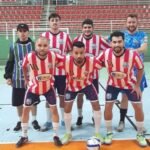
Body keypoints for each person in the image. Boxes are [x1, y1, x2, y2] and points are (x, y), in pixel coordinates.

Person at [97, 31, 147, 147]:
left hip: (130, 84)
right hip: (112, 84)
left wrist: (137, 85)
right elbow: (95, 62)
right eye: (114, 42)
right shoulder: (105, 53)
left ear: (124, 42)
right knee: (108, 106)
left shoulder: (132, 54)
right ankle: (109, 132)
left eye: (119, 42)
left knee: (138, 107)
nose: (117, 44)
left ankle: (140, 134)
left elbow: (140, 68)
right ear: (111, 43)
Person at [16, 37, 63, 147]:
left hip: (48, 88)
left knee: (54, 109)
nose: (42, 48)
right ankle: (24, 136)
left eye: (45, 45)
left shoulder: (53, 55)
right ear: (36, 46)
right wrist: (26, 79)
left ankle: (56, 135)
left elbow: (65, 60)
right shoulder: (30, 56)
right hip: (33, 88)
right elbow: (23, 67)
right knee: (25, 110)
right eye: (40, 45)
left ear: (49, 46)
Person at [59, 41, 103, 144]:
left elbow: (105, 63)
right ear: (71, 53)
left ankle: (97, 133)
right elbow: (51, 60)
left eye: (81, 53)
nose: (79, 55)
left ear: (85, 52)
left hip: (87, 85)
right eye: (76, 53)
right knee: (67, 108)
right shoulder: (65, 60)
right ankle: (68, 133)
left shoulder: (92, 61)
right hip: (71, 86)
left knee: (96, 106)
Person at [4, 23, 40, 132]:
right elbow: (10, 62)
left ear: (28, 32)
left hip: (32, 80)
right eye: (20, 31)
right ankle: (20, 121)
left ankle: (34, 120)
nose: (23, 33)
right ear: (17, 32)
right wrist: (8, 77)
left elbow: (39, 61)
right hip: (17, 79)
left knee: (33, 101)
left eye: (25, 31)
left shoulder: (34, 45)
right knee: (18, 102)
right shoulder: (13, 46)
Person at [73, 18, 110, 126]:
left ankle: (94, 117)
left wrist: (102, 63)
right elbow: (71, 54)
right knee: (79, 97)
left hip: (93, 76)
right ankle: (80, 116)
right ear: (82, 29)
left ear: (93, 28)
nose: (87, 29)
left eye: (89, 27)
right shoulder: (76, 39)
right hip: (79, 75)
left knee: (94, 98)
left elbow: (109, 51)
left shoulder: (99, 39)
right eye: (85, 27)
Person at [116, 14, 148, 132]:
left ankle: (140, 123)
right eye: (129, 22)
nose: (131, 24)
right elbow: (111, 43)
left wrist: (131, 52)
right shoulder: (121, 35)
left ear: (137, 22)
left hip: (138, 71)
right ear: (126, 23)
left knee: (138, 98)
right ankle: (122, 121)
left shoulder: (143, 35)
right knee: (124, 97)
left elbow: (144, 48)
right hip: (125, 73)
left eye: (133, 22)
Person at [41, 13, 72, 130]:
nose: (54, 22)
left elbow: (70, 51)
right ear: (49, 22)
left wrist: (65, 63)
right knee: (48, 97)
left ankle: (64, 119)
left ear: (60, 22)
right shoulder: (43, 35)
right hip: (48, 73)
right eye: (52, 20)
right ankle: (48, 121)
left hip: (62, 74)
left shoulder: (65, 36)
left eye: (57, 20)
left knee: (62, 96)